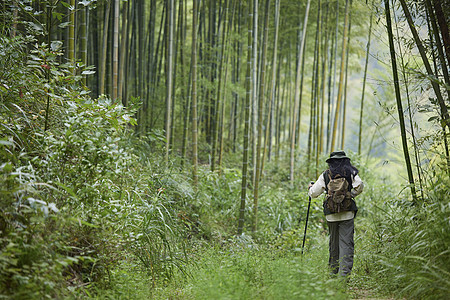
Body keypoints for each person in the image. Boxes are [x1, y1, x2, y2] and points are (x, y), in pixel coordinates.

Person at [308, 151, 364, 277]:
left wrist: (310, 188)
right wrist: (351, 195)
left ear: (331, 162)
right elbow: (359, 186)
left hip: (331, 214)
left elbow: (314, 193)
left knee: (334, 244)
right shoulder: (351, 174)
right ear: (345, 161)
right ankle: (343, 278)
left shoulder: (326, 174)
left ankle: (333, 274)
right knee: (346, 245)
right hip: (347, 213)